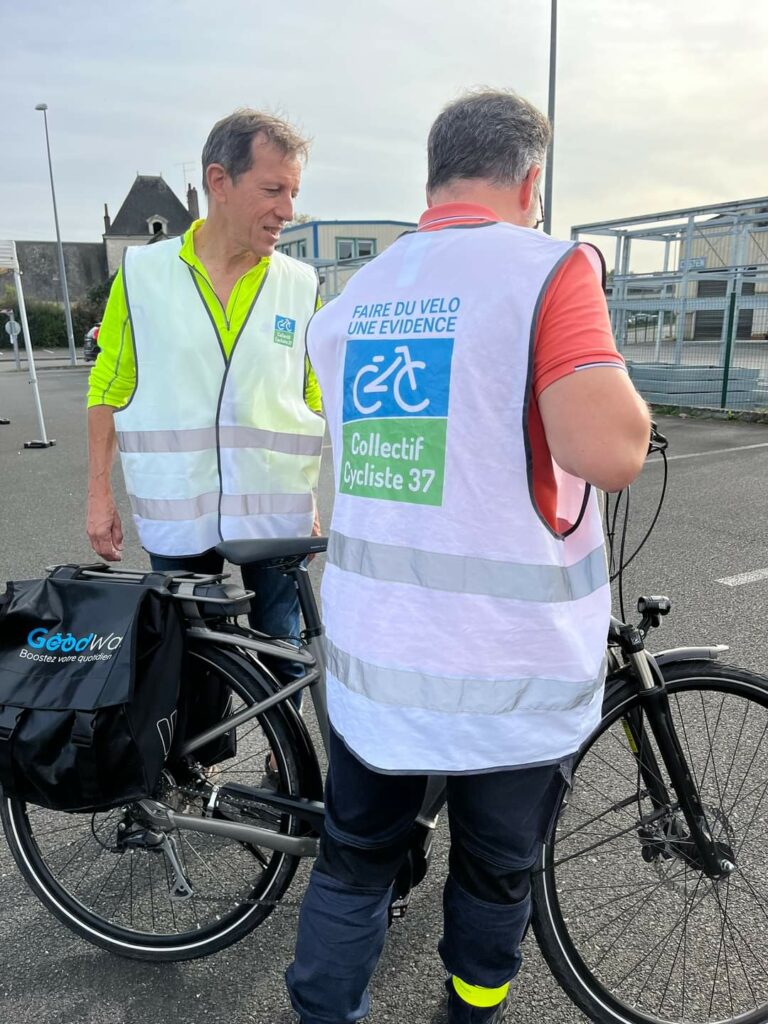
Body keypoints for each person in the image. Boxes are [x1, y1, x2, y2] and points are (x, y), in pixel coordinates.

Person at [285, 89, 650, 1024]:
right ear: (531, 179)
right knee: (493, 877)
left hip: (376, 661)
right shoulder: (548, 271)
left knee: (356, 860)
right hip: (504, 669)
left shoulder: (355, 296)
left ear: (434, 177)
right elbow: (607, 451)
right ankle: (469, 1014)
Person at [86, 110, 325, 698]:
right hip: (178, 509)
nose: (287, 211)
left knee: (285, 650)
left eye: (293, 192)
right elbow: (109, 391)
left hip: (274, 510)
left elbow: (309, 394)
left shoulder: (300, 283)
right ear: (219, 183)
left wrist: (309, 498)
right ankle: (201, 779)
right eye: (273, 190)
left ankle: (284, 769)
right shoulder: (143, 276)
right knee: (190, 659)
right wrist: (98, 495)